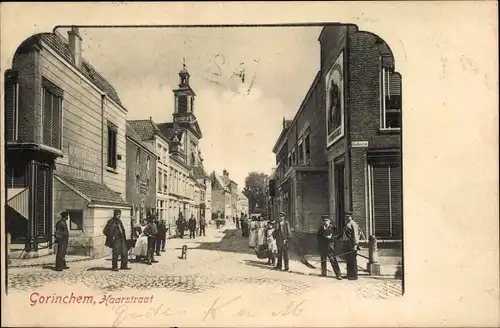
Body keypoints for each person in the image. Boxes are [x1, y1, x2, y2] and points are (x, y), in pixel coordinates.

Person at [317, 215, 342, 280]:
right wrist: (323, 235)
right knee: (323, 259)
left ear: (329, 221)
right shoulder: (321, 228)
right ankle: (323, 273)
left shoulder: (333, 227)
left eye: (327, 220)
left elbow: (338, 235)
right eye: (324, 221)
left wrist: (331, 237)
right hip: (323, 246)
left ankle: (338, 274)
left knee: (333, 260)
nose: (325, 222)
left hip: (330, 246)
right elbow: (318, 237)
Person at [344, 214, 360, 280]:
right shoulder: (347, 223)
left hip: (352, 244)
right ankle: (349, 274)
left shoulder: (353, 224)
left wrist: (355, 244)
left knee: (353, 260)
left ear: (351, 217)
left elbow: (356, 234)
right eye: (346, 217)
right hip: (348, 244)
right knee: (349, 260)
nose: (347, 218)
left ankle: (354, 275)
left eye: (348, 217)